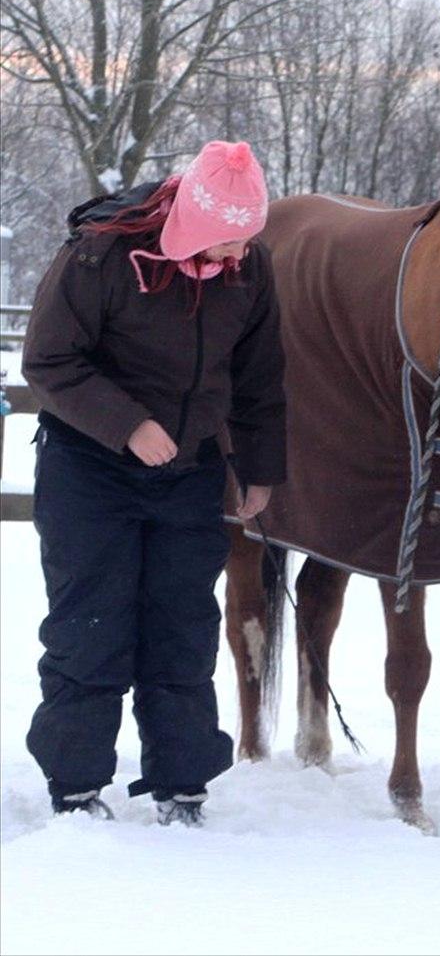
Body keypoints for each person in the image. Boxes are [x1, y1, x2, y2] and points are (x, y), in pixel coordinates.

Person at [21, 140, 286, 826]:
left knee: (183, 628)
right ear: (197, 224)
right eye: (229, 241)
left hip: (187, 469)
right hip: (89, 467)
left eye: (247, 241)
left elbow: (259, 380)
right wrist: (127, 423)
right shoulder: (100, 255)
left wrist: (258, 469)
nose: (239, 255)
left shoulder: (250, 272)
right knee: (92, 626)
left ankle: (182, 782)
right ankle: (76, 786)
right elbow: (48, 360)